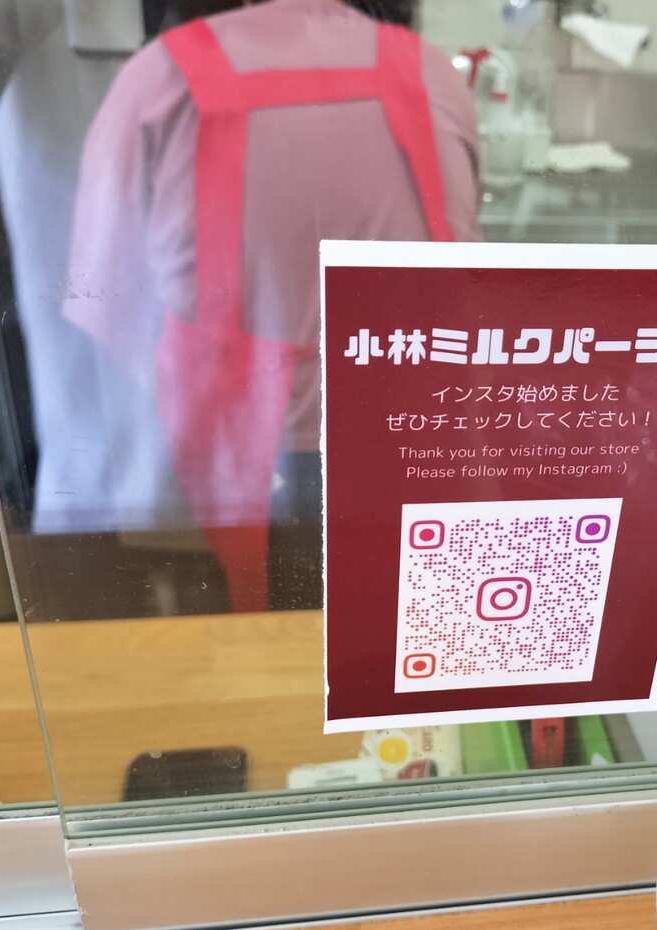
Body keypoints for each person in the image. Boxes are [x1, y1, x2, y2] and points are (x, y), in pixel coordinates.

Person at [64, 0, 482, 611]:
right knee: (405, 629)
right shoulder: (428, 69)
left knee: (263, 638)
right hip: (420, 436)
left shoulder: (160, 78)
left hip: (242, 457)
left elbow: (104, 306)